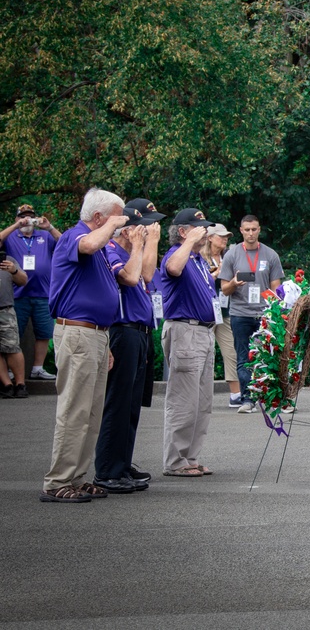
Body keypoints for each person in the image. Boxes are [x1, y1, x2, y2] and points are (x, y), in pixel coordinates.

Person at [40, 188, 128, 503]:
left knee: (90, 412)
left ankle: (76, 477)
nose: (121, 225)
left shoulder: (98, 245)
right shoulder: (74, 238)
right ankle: (57, 481)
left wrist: (105, 343)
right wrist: (112, 225)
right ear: (99, 217)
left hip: (94, 334)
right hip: (77, 332)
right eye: (116, 217)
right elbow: (89, 243)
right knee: (74, 410)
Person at [93, 200, 163, 493]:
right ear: (130, 226)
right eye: (148, 224)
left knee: (132, 405)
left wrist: (149, 244)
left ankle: (122, 462)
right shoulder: (112, 250)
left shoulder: (133, 249)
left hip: (141, 332)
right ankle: (108, 469)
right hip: (124, 330)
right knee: (118, 404)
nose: (152, 229)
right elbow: (139, 276)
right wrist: (148, 243)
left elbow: (148, 274)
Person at [160, 208, 218, 478]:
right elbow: (172, 268)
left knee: (202, 401)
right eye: (198, 227)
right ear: (183, 231)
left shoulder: (198, 260)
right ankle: (175, 460)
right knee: (184, 399)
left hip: (204, 332)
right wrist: (186, 243)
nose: (205, 231)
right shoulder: (177, 254)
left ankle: (190, 457)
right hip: (186, 330)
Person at [221, 215, 285, 414]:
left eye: (254, 229)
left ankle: (272, 398)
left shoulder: (270, 254)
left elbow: (277, 290)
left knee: (269, 356)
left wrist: (275, 310)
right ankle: (247, 399)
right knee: (243, 357)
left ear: (259, 230)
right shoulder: (232, 255)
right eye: (247, 229)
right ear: (241, 230)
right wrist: (234, 283)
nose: (250, 233)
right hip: (240, 313)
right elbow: (224, 289)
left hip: (264, 314)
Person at [1, 203, 62, 380]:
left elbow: (65, 243)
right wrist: (16, 226)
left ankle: (38, 368)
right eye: (22, 216)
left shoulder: (44, 235)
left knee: (44, 332)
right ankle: (12, 370)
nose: (26, 219)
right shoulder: (12, 236)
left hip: (43, 292)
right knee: (14, 333)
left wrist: (49, 227)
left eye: (30, 216)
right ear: (16, 218)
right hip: (18, 293)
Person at [202, 224, 239, 408]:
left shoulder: (228, 257)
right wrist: (218, 272)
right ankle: (200, 395)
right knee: (204, 352)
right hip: (203, 311)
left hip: (224, 311)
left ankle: (235, 394)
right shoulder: (200, 256)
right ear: (209, 237)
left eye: (227, 237)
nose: (225, 239)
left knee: (231, 350)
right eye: (221, 236)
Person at [0, 244, 29, 398]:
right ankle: (7, 385)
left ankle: (20, 384)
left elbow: (23, 280)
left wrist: (14, 270)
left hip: (5, 309)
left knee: (13, 347)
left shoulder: (8, 260)